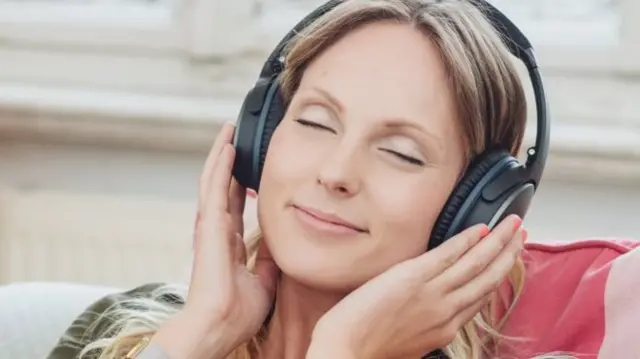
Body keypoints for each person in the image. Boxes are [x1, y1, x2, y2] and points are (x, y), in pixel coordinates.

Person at [46, 1, 640, 359]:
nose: (335, 174)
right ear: (262, 136)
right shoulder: (125, 328)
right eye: (314, 122)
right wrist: (197, 334)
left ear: (478, 205)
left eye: (402, 154)